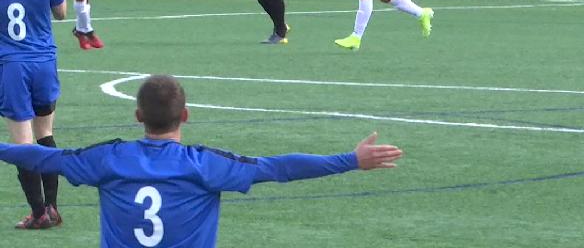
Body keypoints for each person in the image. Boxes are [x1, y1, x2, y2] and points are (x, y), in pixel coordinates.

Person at [0, 74, 402, 247]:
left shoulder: (108, 158)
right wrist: (350, 160)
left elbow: (41, 156)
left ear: (138, 116)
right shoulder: (205, 165)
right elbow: (279, 168)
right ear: (186, 115)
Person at [0, 0, 67, 229]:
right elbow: (61, 13)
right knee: (45, 135)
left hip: (12, 66)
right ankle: (52, 207)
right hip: (43, 64)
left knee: (22, 144)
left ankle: (38, 213)